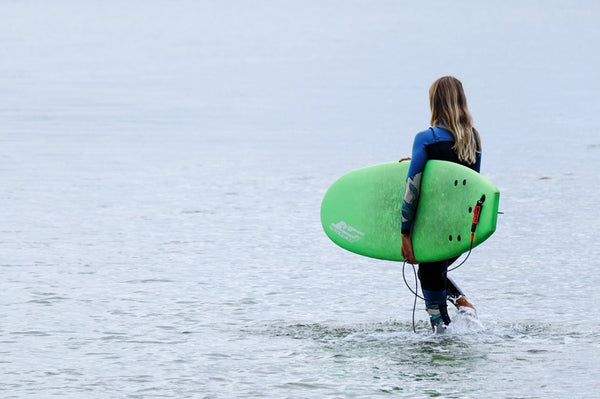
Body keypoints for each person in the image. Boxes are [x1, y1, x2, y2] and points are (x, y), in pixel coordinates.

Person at [400, 76, 481, 333]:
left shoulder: (427, 138)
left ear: (434, 102)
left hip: (433, 228)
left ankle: (443, 348)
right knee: (431, 271)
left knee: (438, 325)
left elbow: (412, 189)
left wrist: (405, 232)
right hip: (460, 230)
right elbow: (471, 185)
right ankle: (462, 304)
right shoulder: (474, 139)